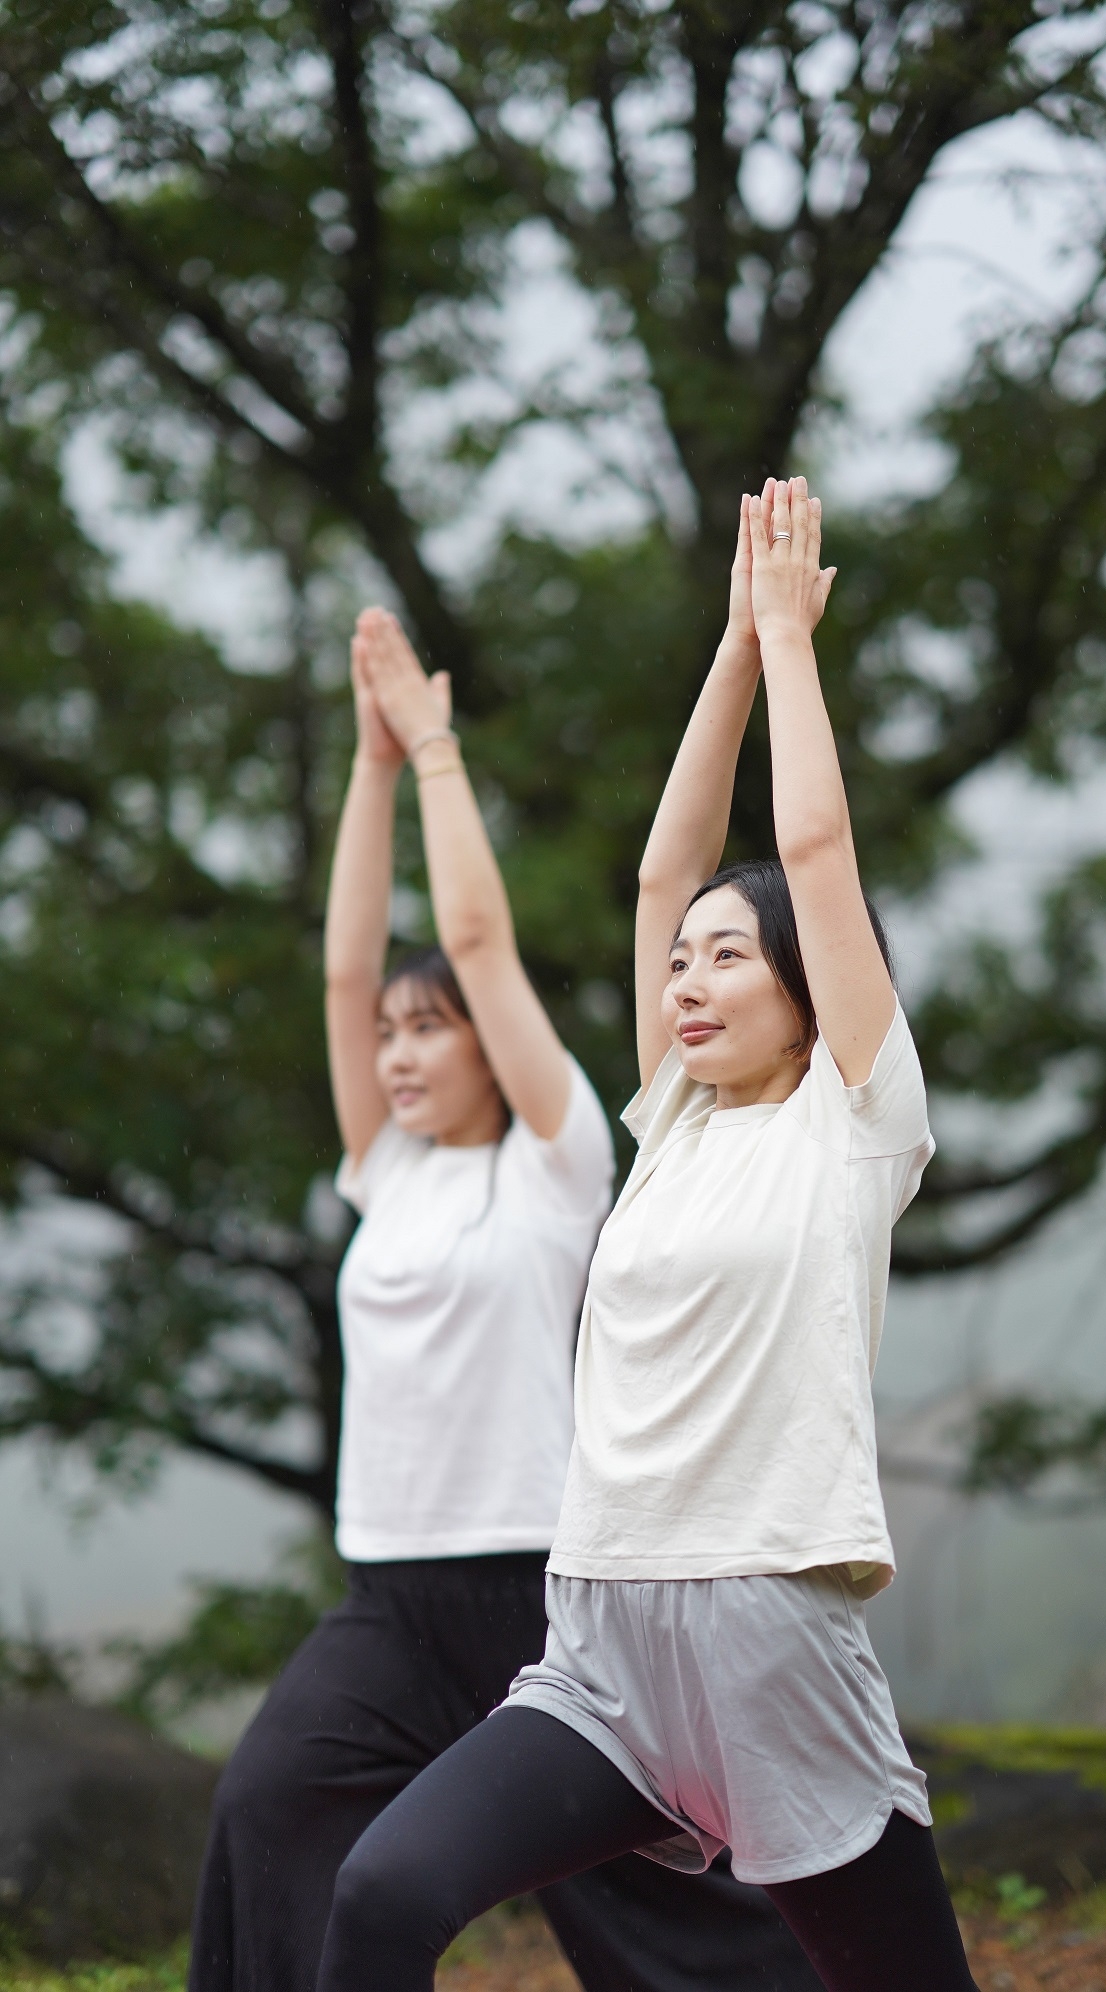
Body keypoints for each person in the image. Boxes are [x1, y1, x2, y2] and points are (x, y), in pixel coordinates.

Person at [314, 478, 981, 1992]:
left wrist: (796, 647)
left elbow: (812, 852)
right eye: (677, 966)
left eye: (726, 961)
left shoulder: (855, 1120)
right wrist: (734, 651)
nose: (685, 978)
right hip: (600, 1647)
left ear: (810, 988)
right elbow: (661, 869)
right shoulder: (671, 1127)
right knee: (380, 1896)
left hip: (767, 1638)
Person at [187, 606, 823, 1992]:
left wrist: (435, 758)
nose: (397, 1054)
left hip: (543, 1595)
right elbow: (349, 965)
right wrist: (366, 765)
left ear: (493, 1042)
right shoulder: (387, 1172)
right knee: (269, 1816)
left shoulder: (560, 1158)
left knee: (650, 1917)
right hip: (390, 1604)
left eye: (430, 1031)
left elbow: (474, 935)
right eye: (386, 1040)